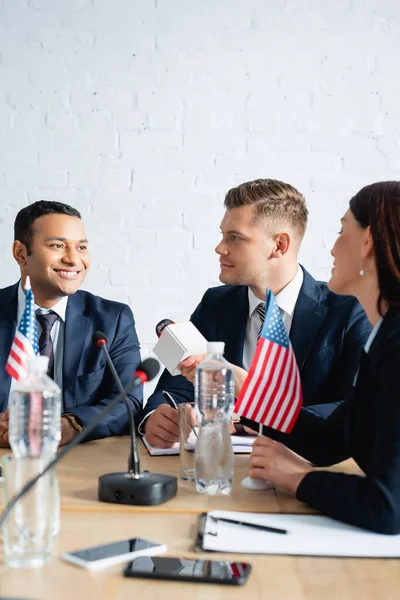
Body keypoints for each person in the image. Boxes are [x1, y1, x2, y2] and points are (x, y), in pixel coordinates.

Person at [140, 179, 371, 448]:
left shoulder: (349, 311)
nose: (220, 247)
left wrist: (247, 420)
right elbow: (177, 385)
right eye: (222, 234)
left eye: (235, 237)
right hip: (219, 471)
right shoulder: (216, 304)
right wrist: (157, 417)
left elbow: (354, 411)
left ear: (279, 245)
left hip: (306, 469)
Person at [245, 181, 400, 534]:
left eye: (342, 231)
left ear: (368, 242)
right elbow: (331, 440)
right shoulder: (384, 339)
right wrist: (247, 392)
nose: (331, 249)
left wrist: (298, 478)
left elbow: (389, 507)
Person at [0, 201, 142, 446]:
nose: (73, 259)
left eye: (81, 247)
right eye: (57, 245)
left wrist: (68, 426)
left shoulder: (112, 319)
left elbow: (128, 400)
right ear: (21, 253)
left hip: (76, 458)